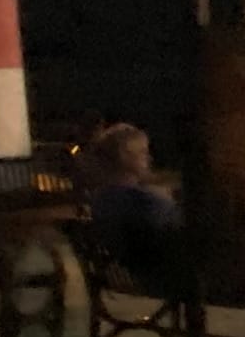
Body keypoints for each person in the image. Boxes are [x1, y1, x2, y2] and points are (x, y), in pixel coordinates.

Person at [79, 123, 186, 293]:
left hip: (121, 275)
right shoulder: (143, 201)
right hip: (153, 279)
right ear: (124, 157)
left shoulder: (102, 198)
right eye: (143, 152)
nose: (149, 158)